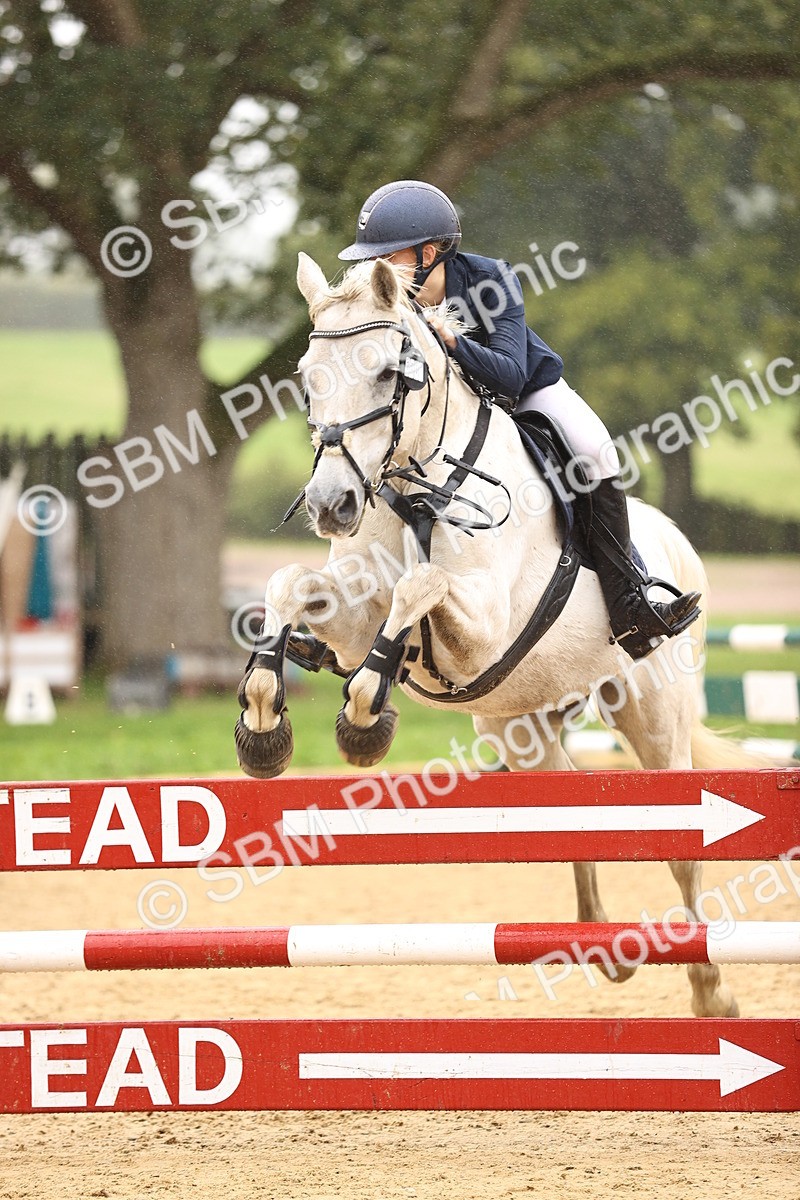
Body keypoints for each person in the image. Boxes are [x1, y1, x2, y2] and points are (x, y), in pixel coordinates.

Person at [339, 180, 700, 660]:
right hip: (445, 417)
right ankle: (350, 619)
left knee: (595, 451)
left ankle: (630, 605)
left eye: (389, 256)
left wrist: (452, 340)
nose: (375, 268)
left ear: (429, 252)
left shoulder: (493, 280)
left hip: (527, 394)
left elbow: (510, 377)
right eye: (372, 258)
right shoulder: (384, 299)